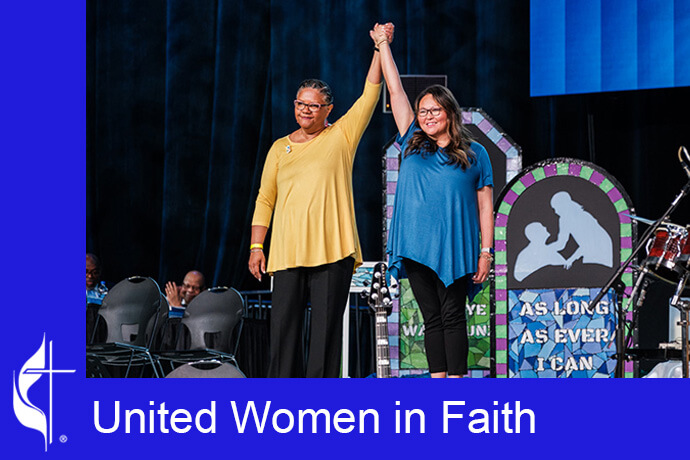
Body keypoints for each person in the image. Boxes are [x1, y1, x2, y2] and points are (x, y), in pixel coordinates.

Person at [248, 36, 384, 378]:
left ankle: (318, 412)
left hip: (332, 252)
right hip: (287, 253)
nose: (304, 110)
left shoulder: (341, 136)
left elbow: (370, 94)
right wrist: (256, 246)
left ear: (328, 109)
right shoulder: (279, 148)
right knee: (283, 337)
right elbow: (265, 198)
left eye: (313, 105)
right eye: (300, 103)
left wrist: (380, 47)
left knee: (324, 340)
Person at [374, 23, 494, 378]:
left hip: (456, 246)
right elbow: (394, 88)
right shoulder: (411, 140)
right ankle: (437, 384)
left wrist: (486, 251)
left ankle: (456, 387)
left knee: (454, 316)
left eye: (434, 111)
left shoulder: (476, 155)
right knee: (431, 319)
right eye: (422, 111)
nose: (426, 117)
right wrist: (383, 44)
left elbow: (486, 206)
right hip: (415, 245)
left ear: (450, 114)